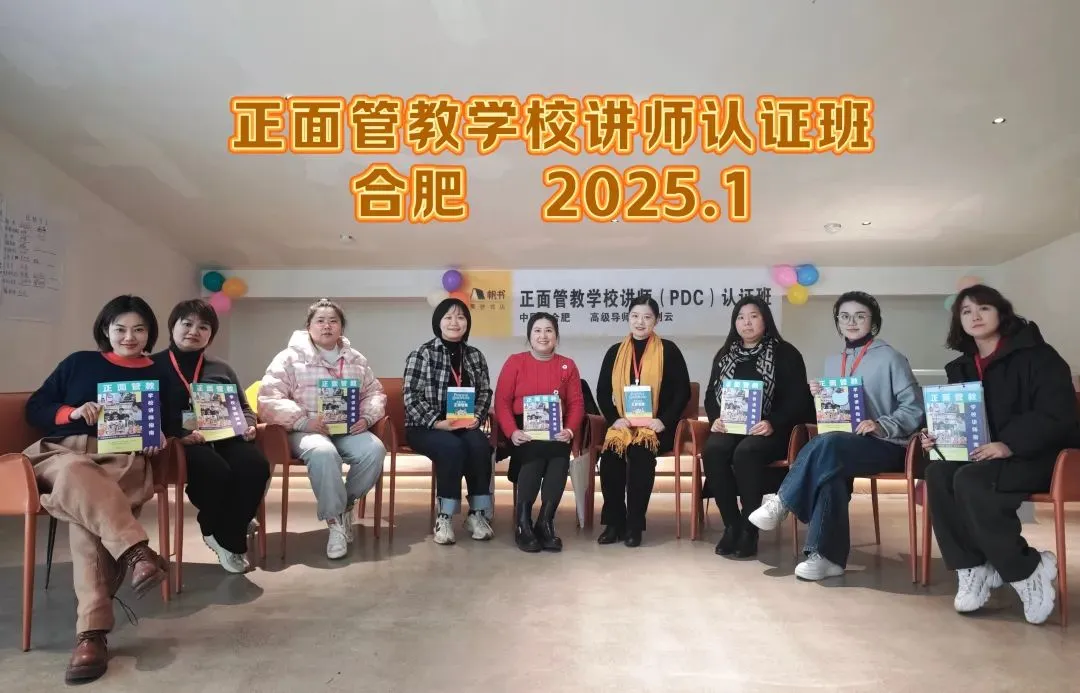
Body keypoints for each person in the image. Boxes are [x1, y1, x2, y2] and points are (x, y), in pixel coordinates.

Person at [23, 295, 171, 684]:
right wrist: (71, 413)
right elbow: (36, 407)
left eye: (139, 330)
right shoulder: (78, 362)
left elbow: (173, 420)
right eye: (120, 328)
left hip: (120, 457)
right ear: (106, 329)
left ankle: (91, 634)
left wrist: (160, 435)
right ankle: (137, 552)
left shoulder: (159, 371)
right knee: (77, 473)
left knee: (87, 521)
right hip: (62, 454)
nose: (129, 337)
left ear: (150, 334)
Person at [921, 284, 1080, 625]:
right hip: (987, 457)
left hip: (1043, 457)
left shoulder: (1040, 356)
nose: (975, 316)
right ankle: (973, 566)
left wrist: (1009, 444)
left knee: (971, 480)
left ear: (1001, 313)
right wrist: (934, 436)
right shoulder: (960, 367)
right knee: (938, 473)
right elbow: (956, 417)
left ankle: (1027, 569)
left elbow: (1058, 414)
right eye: (966, 311)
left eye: (984, 308)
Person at [749, 291, 925, 580]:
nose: (851, 322)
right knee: (829, 469)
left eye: (860, 316)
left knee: (828, 447)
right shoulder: (834, 361)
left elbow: (915, 407)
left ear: (873, 322)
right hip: (843, 444)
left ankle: (783, 501)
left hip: (888, 444)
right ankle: (826, 558)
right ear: (838, 322)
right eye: (844, 316)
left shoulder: (891, 358)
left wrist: (881, 424)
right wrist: (819, 397)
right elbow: (836, 414)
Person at [258, 298, 387, 560]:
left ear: (341, 327)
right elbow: (268, 398)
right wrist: (303, 421)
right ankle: (335, 522)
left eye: (333, 321)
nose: (327, 326)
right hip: (306, 430)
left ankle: (343, 505)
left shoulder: (356, 359)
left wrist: (366, 417)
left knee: (374, 450)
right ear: (309, 326)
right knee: (323, 453)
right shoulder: (289, 358)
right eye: (320, 321)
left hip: (348, 428)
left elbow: (374, 392)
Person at [152, 298, 271, 573]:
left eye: (203, 327)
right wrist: (178, 434)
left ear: (211, 335)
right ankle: (227, 537)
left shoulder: (222, 368)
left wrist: (249, 424)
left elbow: (244, 407)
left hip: (225, 435)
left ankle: (228, 524)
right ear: (173, 327)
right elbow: (148, 414)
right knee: (215, 470)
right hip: (180, 442)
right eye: (187, 324)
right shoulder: (153, 366)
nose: (194, 331)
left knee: (255, 465)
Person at [701, 296, 815, 558]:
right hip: (731, 426)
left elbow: (798, 399)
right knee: (714, 450)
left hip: (772, 430)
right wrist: (715, 417)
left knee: (747, 451)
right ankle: (731, 525)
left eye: (753, 316)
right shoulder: (725, 354)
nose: (747, 323)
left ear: (766, 320)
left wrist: (773, 422)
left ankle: (749, 529)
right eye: (741, 318)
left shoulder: (785, 353)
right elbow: (710, 394)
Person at [595, 294, 691, 547]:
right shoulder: (615, 352)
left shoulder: (668, 350)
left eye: (647, 317)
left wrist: (663, 420)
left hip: (656, 427)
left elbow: (683, 392)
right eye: (635, 316)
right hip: (624, 425)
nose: (640, 322)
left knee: (640, 453)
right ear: (628, 318)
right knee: (611, 455)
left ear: (656, 321)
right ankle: (614, 523)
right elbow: (602, 392)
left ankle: (634, 525)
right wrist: (614, 419)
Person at [404, 297, 495, 545]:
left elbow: (485, 392)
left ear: (467, 323)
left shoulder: (475, 356)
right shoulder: (422, 354)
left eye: (461, 317)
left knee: (480, 445)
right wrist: (437, 422)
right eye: (448, 317)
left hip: (463, 424)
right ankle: (444, 516)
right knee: (451, 447)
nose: (455, 322)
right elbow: (410, 396)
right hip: (425, 427)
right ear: (439, 322)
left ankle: (477, 514)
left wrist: (477, 416)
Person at [495, 312, 585, 552]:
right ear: (529, 336)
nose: (543, 336)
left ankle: (545, 521)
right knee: (533, 453)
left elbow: (576, 403)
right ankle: (523, 523)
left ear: (556, 336)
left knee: (559, 456)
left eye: (549, 330)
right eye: (537, 330)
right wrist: (512, 431)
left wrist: (570, 430)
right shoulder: (515, 362)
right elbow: (501, 402)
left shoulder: (568, 365)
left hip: (555, 428)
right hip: (522, 428)